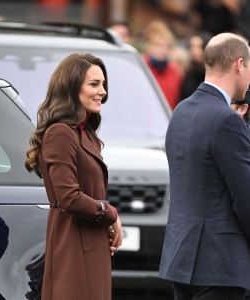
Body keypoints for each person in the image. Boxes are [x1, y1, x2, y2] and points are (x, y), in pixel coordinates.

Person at [159, 32, 250, 300]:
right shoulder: (226, 120)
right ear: (238, 64)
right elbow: (244, 198)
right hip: (220, 264)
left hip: (181, 257)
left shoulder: (181, 111)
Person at [25, 53, 122, 300]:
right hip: (72, 246)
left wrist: (108, 216)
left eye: (103, 84)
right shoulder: (60, 133)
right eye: (94, 84)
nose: (103, 92)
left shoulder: (86, 134)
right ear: (71, 87)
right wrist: (109, 213)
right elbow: (68, 197)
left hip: (92, 244)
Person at [142, 20, 183, 110]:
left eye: (167, 46)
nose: (163, 50)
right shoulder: (141, 67)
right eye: (158, 45)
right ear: (149, 46)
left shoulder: (174, 71)